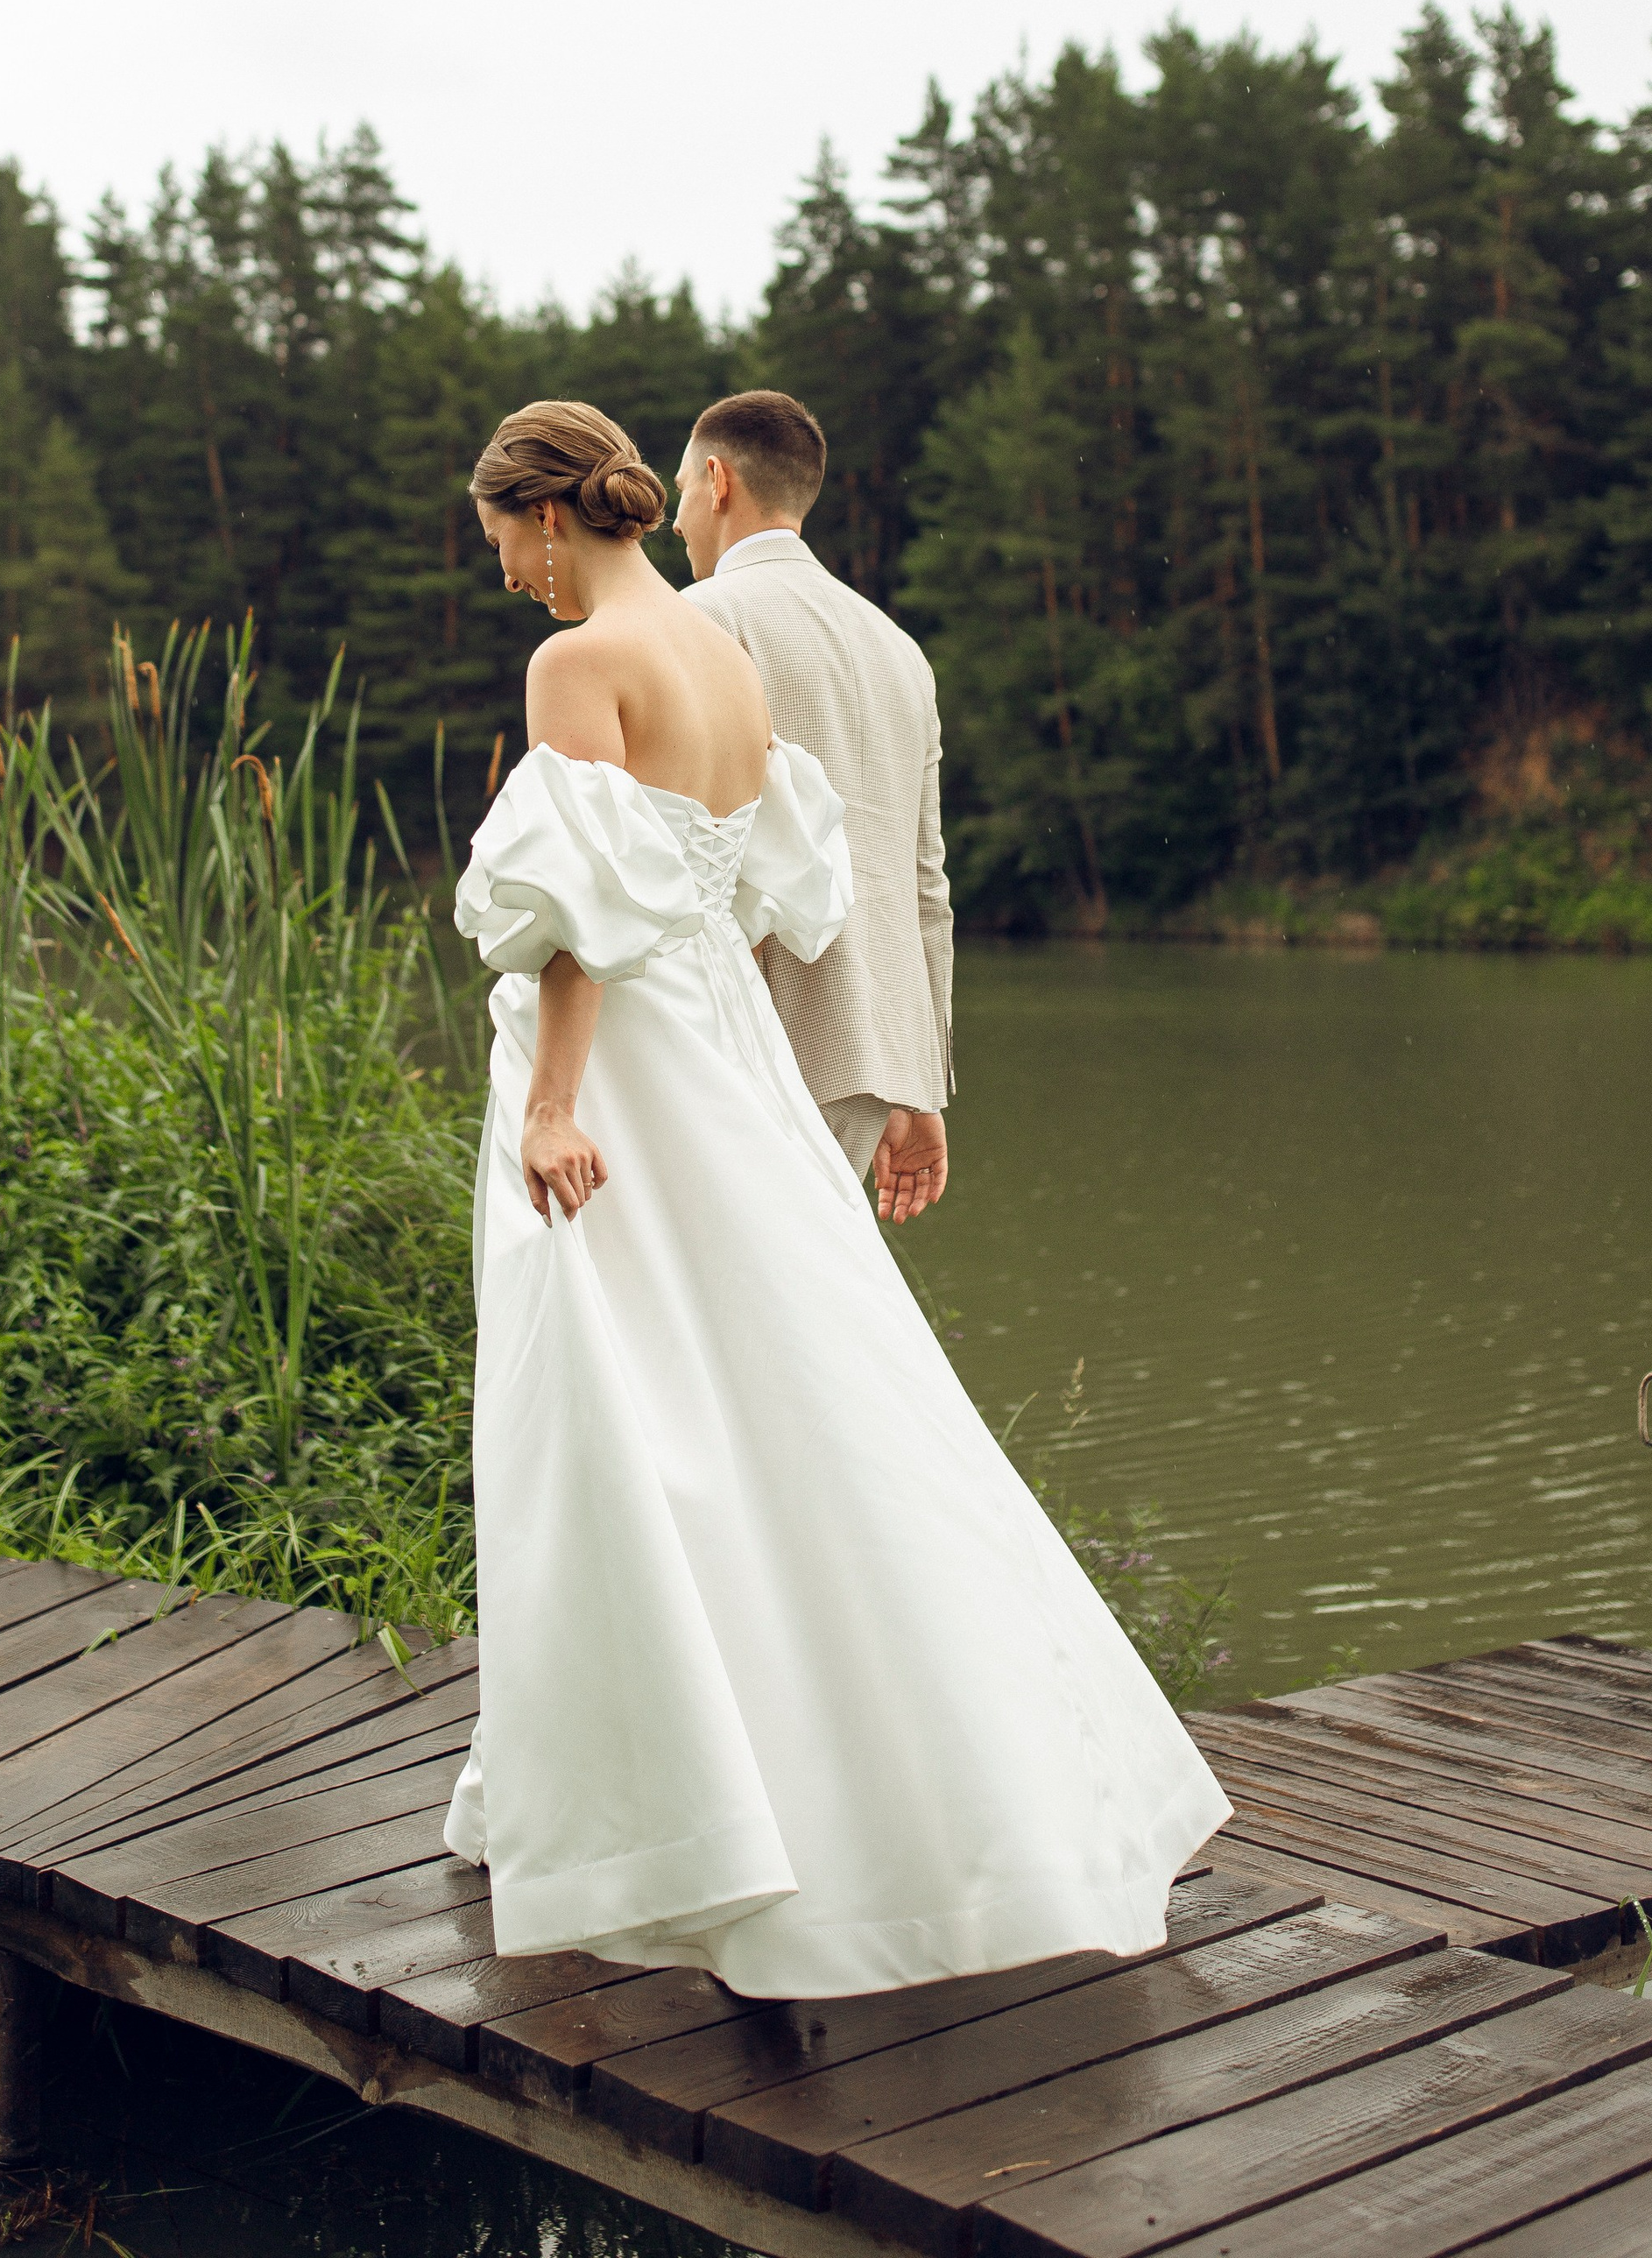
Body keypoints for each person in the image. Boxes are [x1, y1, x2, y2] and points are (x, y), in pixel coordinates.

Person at [441, 398, 1225, 1998]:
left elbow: (584, 913)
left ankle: (681, 1812)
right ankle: (876, 1785)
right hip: (733, 1055)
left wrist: (550, 1101)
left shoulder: (578, 664)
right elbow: (797, 885)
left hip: (638, 1075)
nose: (510, 577)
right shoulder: (730, 662)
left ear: (541, 515)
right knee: (785, 1409)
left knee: (624, 1415)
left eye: (502, 542)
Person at [674, 390, 951, 1224]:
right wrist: (922, 1082)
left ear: (718, 481)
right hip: (873, 1061)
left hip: (748, 1040)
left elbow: (685, 856)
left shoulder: (701, 619)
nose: (676, 520)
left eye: (682, 490)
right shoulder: (901, 650)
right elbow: (924, 881)